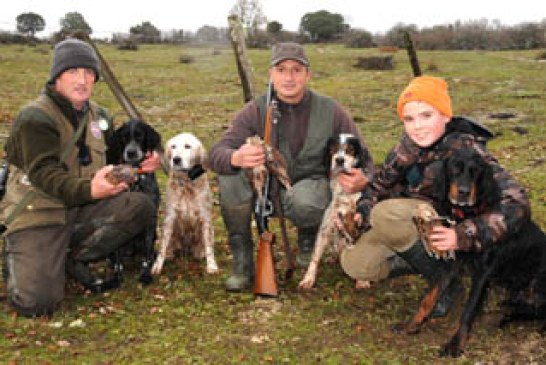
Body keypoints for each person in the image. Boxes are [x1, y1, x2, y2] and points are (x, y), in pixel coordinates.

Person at [340, 75, 530, 316]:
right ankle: (422, 261)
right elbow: (378, 185)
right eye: (409, 119)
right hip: (413, 223)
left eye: (426, 115)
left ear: (445, 116)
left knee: (386, 214)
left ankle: (447, 282)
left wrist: (462, 234)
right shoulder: (407, 146)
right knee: (356, 265)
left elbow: (517, 203)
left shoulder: (466, 147)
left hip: (448, 226)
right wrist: (363, 210)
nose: (417, 126)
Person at [0, 38, 160, 317]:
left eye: (89, 73)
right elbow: (45, 174)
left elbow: (115, 157)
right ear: (56, 77)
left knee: (140, 205)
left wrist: (145, 162)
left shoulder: (100, 116)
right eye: (73, 71)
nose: (82, 80)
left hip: (82, 209)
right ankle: (25, 256)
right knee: (37, 303)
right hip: (39, 213)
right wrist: (91, 190)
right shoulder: (35, 118)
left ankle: (72, 257)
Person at [209, 42, 373, 292]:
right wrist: (236, 158)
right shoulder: (256, 110)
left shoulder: (332, 110)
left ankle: (308, 237)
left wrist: (364, 179)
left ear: (308, 74)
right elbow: (216, 153)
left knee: (305, 201)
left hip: (309, 192)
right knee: (229, 178)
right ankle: (242, 259)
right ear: (271, 75)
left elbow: (366, 158)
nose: (289, 77)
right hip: (266, 195)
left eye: (296, 70)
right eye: (281, 69)